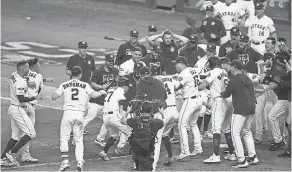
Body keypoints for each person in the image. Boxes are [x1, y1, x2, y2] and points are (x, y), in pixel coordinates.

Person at [51, 66, 107, 171]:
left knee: (64, 138)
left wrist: (59, 93)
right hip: (80, 115)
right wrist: (101, 92)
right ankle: (80, 162)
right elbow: (94, 95)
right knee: (79, 140)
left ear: (71, 74)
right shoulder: (85, 85)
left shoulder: (64, 84)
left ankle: (65, 161)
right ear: (80, 74)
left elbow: (54, 97)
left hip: (68, 114)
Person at [221, 59, 258, 168]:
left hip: (241, 109)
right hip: (251, 107)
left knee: (235, 133)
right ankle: (253, 157)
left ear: (234, 67)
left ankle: (241, 160)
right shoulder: (247, 78)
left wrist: (221, 92)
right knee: (246, 132)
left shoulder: (234, 79)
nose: (230, 69)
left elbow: (226, 94)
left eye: (231, 67)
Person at [1, 61, 38, 167]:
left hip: (12, 108)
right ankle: (11, 154)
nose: (29, 70)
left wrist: (27, 82)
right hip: (18, 109)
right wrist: (33, 98)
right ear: (21, 70)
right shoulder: (20, 83)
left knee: (15, 136)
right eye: (27, 68)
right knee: (31, 133)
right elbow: (21, 99)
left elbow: (20, 78)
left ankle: (3, 159)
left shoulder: (14, 74)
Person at [199, 57, 236, 163]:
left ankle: (215, 156)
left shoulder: (213, 72)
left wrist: (197, 85)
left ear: (211, 64)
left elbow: (202, 86)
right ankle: (232, 153)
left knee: (216, 129)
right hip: (230, 100)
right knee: (226, 128)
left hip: (219, 101)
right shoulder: (224, 71)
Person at [258, 51, 291, 151]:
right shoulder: (275, 68)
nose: (264, 62)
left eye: (265, 60)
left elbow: (275, 84)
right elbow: (266, 77)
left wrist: (263, 89)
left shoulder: (276, 69)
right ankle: (283, 140)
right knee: (286, 121)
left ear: (271, 59)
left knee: (272, 116)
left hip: (285, 97)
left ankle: (279, 141)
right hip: (286, 96)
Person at [86, 54, 119, 145]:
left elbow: (117, 82)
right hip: (96, 101)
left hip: (107, 101)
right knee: (89, 118)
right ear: (105, 61)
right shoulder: (99, 71)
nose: (111, 62)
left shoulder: (115, 71)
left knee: (107, 120)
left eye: (113, 61)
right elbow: (92, 84)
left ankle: (100, 138)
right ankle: (77, 131)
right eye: (109, 61)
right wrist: (100, 86)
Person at [174, 56, 203, 160]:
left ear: (181, 64)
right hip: (198, 99)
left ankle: (185, 151)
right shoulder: (193, 70)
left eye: (176, 64)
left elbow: (176, 87)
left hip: (190, 101)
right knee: (193, 124)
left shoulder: (184, 73)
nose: (175, 66)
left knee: (181, 125)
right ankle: (198, 148)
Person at [99, 77, 132, 161]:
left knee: (114, 136)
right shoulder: (120, 90)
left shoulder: (111, 89)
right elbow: (121, 101)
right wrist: (122, 113)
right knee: (131, 133)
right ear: (125, 86)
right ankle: (138, 152)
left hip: (105, 118)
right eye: (127, 87)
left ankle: (104, 152)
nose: (127, 89)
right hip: (114, 116)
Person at [152, 68, 180, 168]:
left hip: (166, 111)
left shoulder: (154, 81)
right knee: (164, 134)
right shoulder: (170, 78)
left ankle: (153, 164)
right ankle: (171, 157)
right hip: (174, 111)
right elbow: (178, 85)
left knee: (157, 137)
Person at [19, 58, 46, 163]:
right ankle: (9, 155)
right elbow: (38, 90)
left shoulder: (21, 74)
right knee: (28, 133)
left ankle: (24, 155)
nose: (39, 67)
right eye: (38, 65)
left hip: (20, 105)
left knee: (22, 132)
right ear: (33, 66)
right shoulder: (39, 76)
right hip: (29, 107)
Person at [126, 101, 164, 171]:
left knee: (140, 168)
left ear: (141, 110)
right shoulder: (155, 122)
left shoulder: (136, 120)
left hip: (135, 152)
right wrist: (162, 113)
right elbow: (163, 122)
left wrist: (127, 111)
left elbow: (123, 121)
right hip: (147, 153)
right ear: (151, 110)